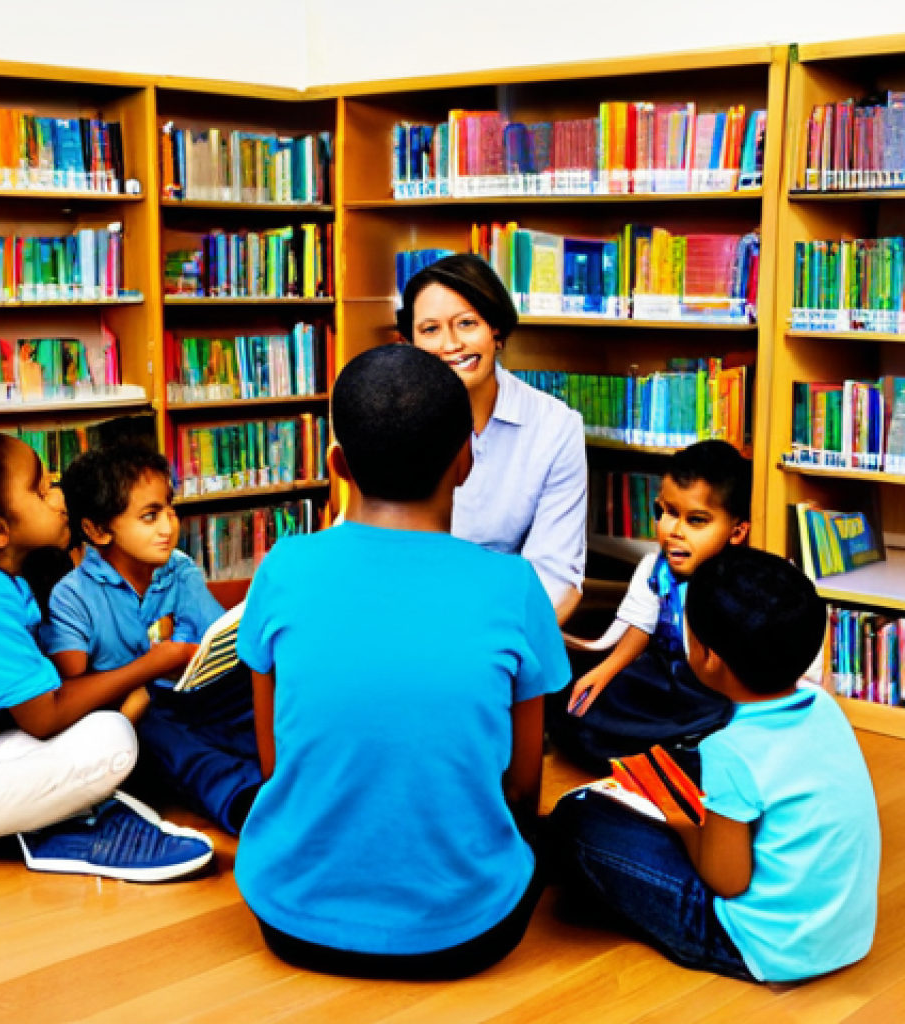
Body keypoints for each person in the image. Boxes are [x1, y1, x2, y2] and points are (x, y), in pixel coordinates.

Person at [235, 344, 571, 980]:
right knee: (571, 824)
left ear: (337, 464)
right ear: (466, 460)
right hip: (465, 936)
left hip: (289, 920)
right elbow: (524, 790)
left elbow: (274, 761)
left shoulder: (281, 568)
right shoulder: (515, 585)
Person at [0, 430, 213, 881]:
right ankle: (59, 825)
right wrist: (150, 664)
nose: (58, 498)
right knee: (112, 737)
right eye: (39, 490)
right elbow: (43, 717)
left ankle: (50, 812)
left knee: (111, 718)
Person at [545, 546, 881, 983]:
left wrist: (684, 825)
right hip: (844, 934)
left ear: (708, 657)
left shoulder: (732, 749)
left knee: (579, 820)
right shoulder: (825, 707)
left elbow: (727, 882)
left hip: (756, 944)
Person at [39, 441, 261, 836]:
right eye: (150, 516)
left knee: (259, 687)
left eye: (170, 509)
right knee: (162, 736)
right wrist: (149, 672)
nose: (168, 526)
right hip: (133, 714)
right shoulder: (72, 594)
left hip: (194, 695)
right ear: (97, 529)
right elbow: (71, 683)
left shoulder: (180, 570)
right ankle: (244, 798)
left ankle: (300, 769)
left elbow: (214, 642)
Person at [399, 253, 587, 625]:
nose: (450, 344)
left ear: (496, 331)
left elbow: (556, 576)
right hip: (405, 610)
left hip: (503, 621)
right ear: (410, 342)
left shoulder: (555, 426)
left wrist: (495, 647)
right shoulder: (392, 418)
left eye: (466, 323)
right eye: (430, 330)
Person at [547, 440, 750, 772]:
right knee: (571, 707)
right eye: (666, 512)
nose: (674, 531)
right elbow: (639, 627)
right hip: (658, 679)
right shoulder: (654, 569)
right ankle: (666, 754)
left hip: (709, 695)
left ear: (737, 531)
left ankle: (680, 751)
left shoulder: (741, 583)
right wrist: (605, 671)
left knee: (721, 728)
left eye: (696, 521)